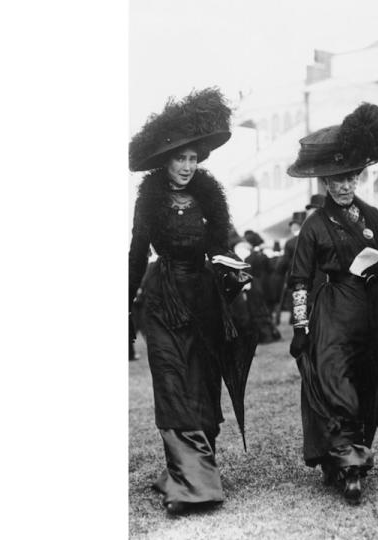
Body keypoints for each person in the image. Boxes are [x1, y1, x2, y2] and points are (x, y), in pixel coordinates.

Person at [286, 103, 378, 505]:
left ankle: (350, 453)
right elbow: (299, 279)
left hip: (371, 311)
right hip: (332, 312)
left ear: (358, 176)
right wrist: (300, 327)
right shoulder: (314, 225)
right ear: (324, 182)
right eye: (336, 179)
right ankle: (348, 463)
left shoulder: (372, 216)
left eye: (350, 176)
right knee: (335, 382)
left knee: (367, 384)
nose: (344, 185)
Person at [128, 88, 257, 512]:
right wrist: (125, 304)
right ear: (165, 159)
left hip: (202, 298)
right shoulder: (148, 196)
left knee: (202, 385)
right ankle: (191, 484)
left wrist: (237, 273)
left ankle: (191, 473)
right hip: (163, 300)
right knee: (171, 384)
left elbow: (221, 247)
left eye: (192, 158)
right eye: (179, 158)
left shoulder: (209, 194)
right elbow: (136, 250)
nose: (187, 166)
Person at [244, 230, 281, 343]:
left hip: (254, 285)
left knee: (257, 311)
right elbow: (271, 269)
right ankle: (271, 333)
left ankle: (265, 336)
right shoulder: (262, 255)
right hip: (264, 284)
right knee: (264, 310)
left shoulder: (249, 258)